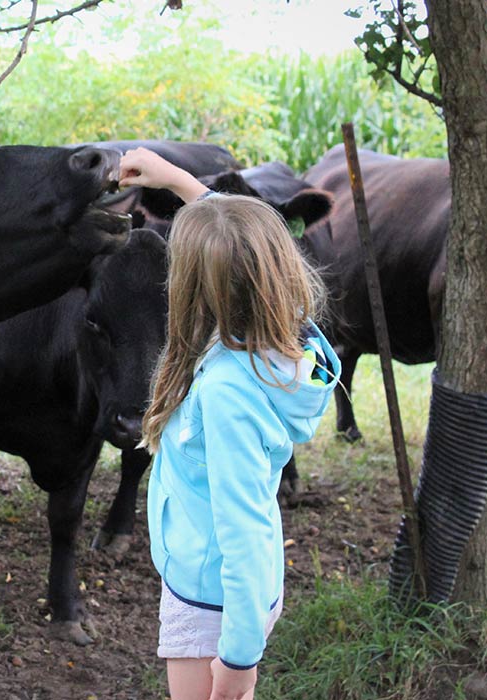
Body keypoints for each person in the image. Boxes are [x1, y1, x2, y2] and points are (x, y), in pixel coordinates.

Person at [120, 148, 339, 700]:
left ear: (195, 286)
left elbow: (241, 530)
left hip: (214, 600)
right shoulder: (285, 337)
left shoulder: (226, 393)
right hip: (231, 586)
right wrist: (177, 181)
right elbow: (249, 246)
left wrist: (239, 659)